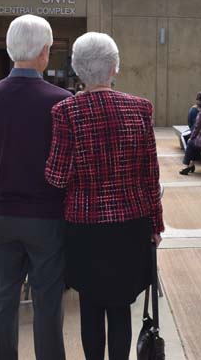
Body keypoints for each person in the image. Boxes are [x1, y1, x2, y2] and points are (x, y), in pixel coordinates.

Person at [45, 31, 163, 360]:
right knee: (121, 305)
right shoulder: (140, 109)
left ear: (78, 71)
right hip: (130, 224)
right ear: (114, 68)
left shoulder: (65, 112)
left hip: (85, 226)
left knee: (90, 304)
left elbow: (57, 177)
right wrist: (156, 226)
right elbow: (150, 175)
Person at [0, 14, 70, 360]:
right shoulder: (61, 100)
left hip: (0, 213)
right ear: (45, 52)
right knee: (47, 303)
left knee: (2, 300)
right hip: (46, 217)